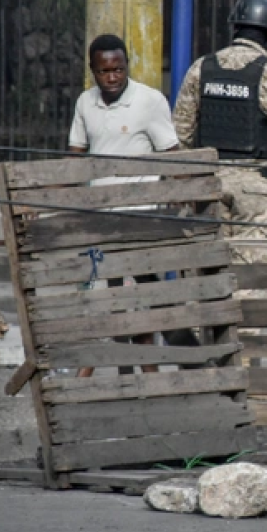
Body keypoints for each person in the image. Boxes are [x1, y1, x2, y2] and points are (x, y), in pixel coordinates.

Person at [173, 0, 267, 264]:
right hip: (254, 186)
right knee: (253, 278)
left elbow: (181, 134)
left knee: (208, 272)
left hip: (208, 182)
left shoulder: (201, 68)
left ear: (235, 26)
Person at [67, 35, 181, 377]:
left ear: (126, 66)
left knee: (138, 305)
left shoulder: (149, 101)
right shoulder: (86, 104)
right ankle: (126, 380)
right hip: (100, 223)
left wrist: (171, 209)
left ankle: (146, 384)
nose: (112, 77)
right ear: (93, 71)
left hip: (140, 222)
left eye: (118, 69)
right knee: (109, 305)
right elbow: (74, 158)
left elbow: (173, 158)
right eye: (105, 71)